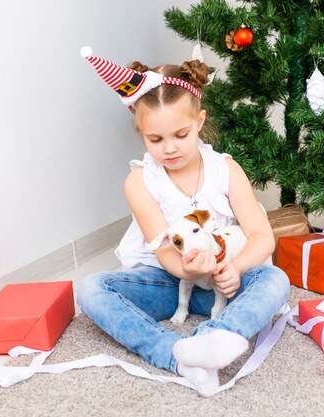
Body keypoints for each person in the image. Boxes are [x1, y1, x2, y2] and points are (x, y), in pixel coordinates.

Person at [76, 47, 290, 397]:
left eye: (181, 135)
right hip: (165, 280)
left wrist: (234, 268)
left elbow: (262, 236)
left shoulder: (225, 170)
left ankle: (210, 339)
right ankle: (177, 354)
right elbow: (164, 254)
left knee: (275, 279)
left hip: (222, 282)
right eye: (155, 139)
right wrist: (187, 270)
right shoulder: (140, 181)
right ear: (141, 132)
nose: (169, 149)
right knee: (91, 290)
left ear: (200, 122)